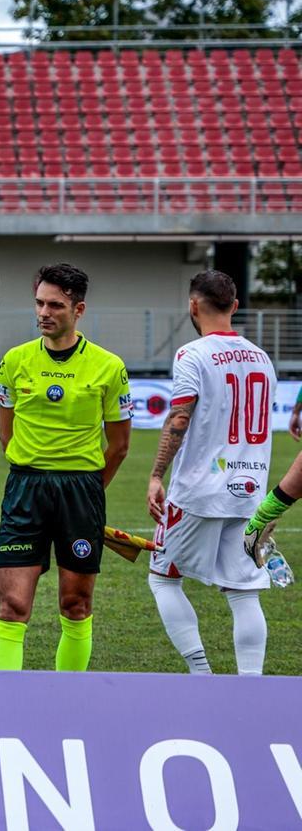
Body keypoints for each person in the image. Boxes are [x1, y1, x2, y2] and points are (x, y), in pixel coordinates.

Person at [0, 264, 132, 671]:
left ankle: (67, 701)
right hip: (26, 489)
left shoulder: (109, 367)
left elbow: (119, 446)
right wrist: (34, 467)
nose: (44, 312)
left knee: (76, 604)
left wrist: (88, 489)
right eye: (39, 303)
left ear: (78, 309)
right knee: (12, 606)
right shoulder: (14, 362)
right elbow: (6, 435)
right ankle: (4, 701)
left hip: (81, 492)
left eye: (55, 304)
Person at [146, 271, 275, 675]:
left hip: (199, 492)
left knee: (163, 579)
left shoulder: (192, 354)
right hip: (250, 492)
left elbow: (180, 417)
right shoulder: (262, 357)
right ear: (234, 306)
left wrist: (155, 475)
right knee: (243, 592)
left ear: (193, 305)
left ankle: (201, 674)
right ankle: (250, 684)